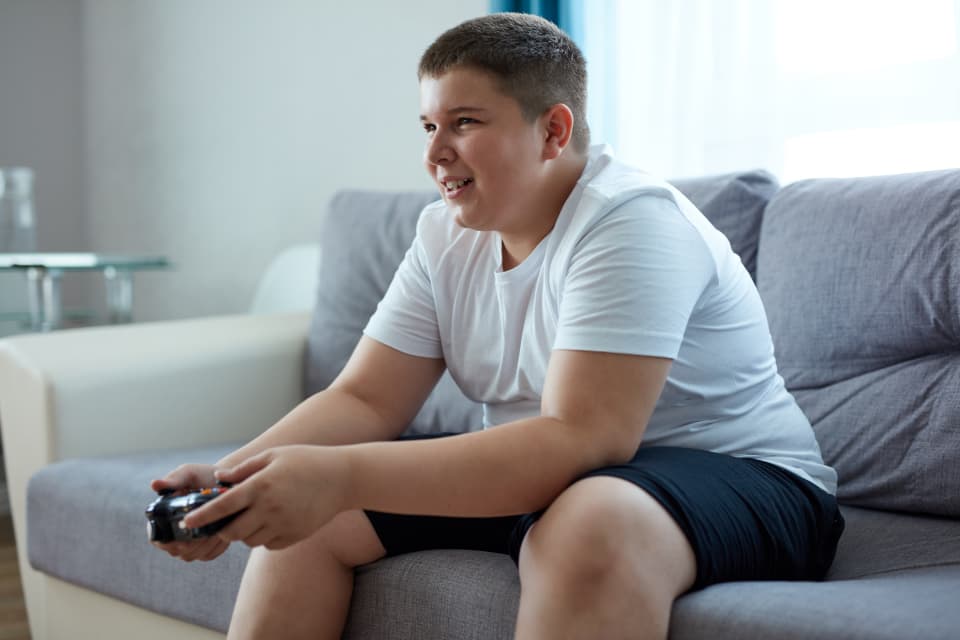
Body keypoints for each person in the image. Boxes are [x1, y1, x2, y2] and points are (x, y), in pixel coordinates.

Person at [153, 12, 844, 640]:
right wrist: (231, 482)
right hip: (566, 475)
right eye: (429, 127)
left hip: (741, 476)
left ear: (553, 129)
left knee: (588, 519)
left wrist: (337, 475)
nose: (435, 154)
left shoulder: (631, 221)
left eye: (465, 123)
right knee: (307, 522)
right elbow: (365, 399)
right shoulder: (443, 237)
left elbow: (584, 437)